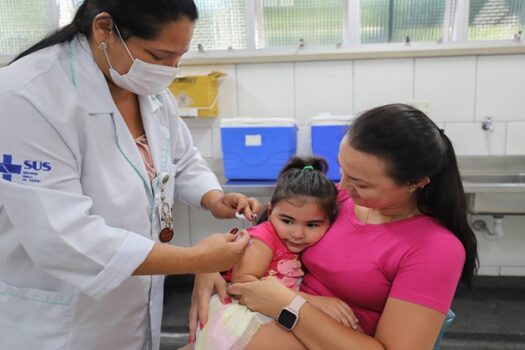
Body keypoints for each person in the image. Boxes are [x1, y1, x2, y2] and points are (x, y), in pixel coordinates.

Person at [0, 1, 260, 349]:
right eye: (159, 55)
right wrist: (198, 259)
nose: (171, 69)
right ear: (104, 28)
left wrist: (212, 198)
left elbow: (179, 158)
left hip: (131, 311)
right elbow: (64, 237)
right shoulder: (27, 96)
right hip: (59, 322)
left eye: (178, 57)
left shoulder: (142, 85)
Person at [189, 103, 479, 350]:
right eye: (343, 170)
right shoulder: (339, 198)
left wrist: (289, 304)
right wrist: (210, 263)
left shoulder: (436, 248)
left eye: (362, 183)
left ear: (416, 182)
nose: (343, 186)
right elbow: (266, 229)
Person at [195, 156, 344, 349]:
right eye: (287, 221)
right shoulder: (264, 238)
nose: (298, 234)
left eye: (312, 224)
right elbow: (243, 283)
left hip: (266, 308)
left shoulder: (298, 241)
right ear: (271, 210)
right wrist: (313, 303)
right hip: (238, 313)